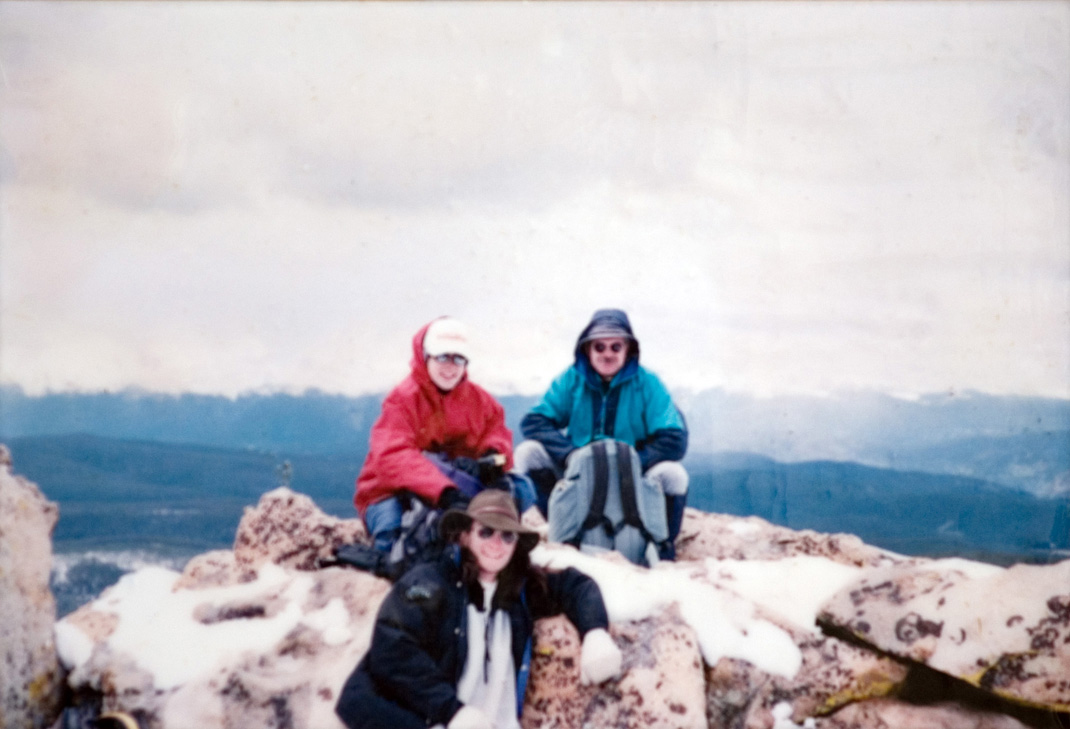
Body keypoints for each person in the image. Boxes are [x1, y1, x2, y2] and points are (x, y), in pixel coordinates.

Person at [335, 489, 623, 729]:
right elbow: (393, 644)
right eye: (486, 532)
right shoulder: (432, 583)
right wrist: (451, 711)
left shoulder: (519, 587)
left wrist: (596, 632)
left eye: (507, 536)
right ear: (465, 536)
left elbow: (576, 585)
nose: (497, 545)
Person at [514, 308, 689, 558]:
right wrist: (570, 456)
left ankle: (662, 547)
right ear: (587, 349)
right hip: (577, 471)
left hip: (631, 476)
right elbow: (534, 421)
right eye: (599, 347)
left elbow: (674, 437)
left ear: (628, 349)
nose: (607, 354)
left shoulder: (647, 382)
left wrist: (632, 461)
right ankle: (562, 527)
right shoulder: (572, 379)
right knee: (527, 453)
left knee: (675, 475)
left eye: (616, 347)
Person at [355, 316, 535, 555]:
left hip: (455, 487)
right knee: (392, 540)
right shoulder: (402, 400)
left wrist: (494, 457)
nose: (450, 366)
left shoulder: (481, 402)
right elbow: (392, 456)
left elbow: (497, 434)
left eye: (458, 358)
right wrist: (444, 492)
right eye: (442, 356)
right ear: (425, 355)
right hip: (392, 491)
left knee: (521, 488)